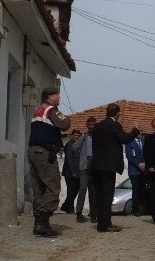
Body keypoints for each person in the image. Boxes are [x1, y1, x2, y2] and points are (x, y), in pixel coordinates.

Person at [89, 102, 140, 232]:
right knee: (107, 195)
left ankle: (101, 222)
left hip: (96, 165)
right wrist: (135, 130)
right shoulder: (114, 125)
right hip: (108, 165)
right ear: (118, 114)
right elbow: (124, 139)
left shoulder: (97, 126)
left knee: (99, 195)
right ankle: (105, 224)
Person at [27, 87, 71, 237]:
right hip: (45, 153)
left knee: (39, 189)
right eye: (58, 95)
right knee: (53, 187)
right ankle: (42, 223)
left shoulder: (38, 110)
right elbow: (65, 124)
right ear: (51, 96)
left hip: (33, 152)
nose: (59, 98)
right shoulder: (51, 110)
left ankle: (39, 224)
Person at [72, 116, 97, 223]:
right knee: (82, 189)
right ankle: (79, 213)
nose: (91, 127)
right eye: (89, 125)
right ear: (87, 125)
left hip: (95, 166)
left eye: (93, 125)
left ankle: (94, 214)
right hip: (84, 166)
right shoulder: (84, 137)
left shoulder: (98, 137)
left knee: (93, 191)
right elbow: (74, 148)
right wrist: (82, 137)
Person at [59, 129, 82, 214]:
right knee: (71, 190)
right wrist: (73, 172)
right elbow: (69, 159)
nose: (77, 137)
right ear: (72, 136)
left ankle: (65, 206)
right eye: (76, 135)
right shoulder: (70, 145)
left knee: (76, 189)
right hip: (70, 173)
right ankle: (69, 208)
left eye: (78, 136)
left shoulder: (78, 144)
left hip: (77, 172)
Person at [125, 133, 148, 216]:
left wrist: (146, 163)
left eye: (141, 132)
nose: (140, 133)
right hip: (134, 171)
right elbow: (129, 156)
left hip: (144, 170)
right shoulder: (130, 143)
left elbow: (148, 153)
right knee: (136, 190)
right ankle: (136, 210)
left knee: (143, 190)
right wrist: (138, 164)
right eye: (138, 132)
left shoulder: (144, 141)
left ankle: (144, 209)